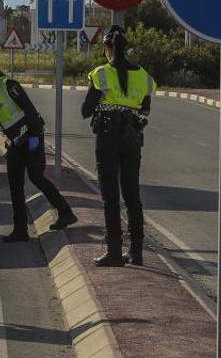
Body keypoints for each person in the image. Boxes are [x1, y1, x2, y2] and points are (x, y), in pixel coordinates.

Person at [0, 59, 77, 242]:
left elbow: (30, 111)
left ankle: (66, 212)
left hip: (31, 135)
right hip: (14, 142)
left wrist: (35, 136)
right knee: (15, 185)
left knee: (36, 176)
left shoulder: (8, 85)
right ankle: (20, 230)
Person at [82, 26, 155, 266]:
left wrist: (105, 103)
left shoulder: (101, 74)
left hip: (107, 137)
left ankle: (114, 251)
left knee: (110, 196)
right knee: (132, 195)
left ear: (108, 48)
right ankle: (136, 251)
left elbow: (85, 110)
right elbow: (145, 110)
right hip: (132, 138)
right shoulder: (143, 74)